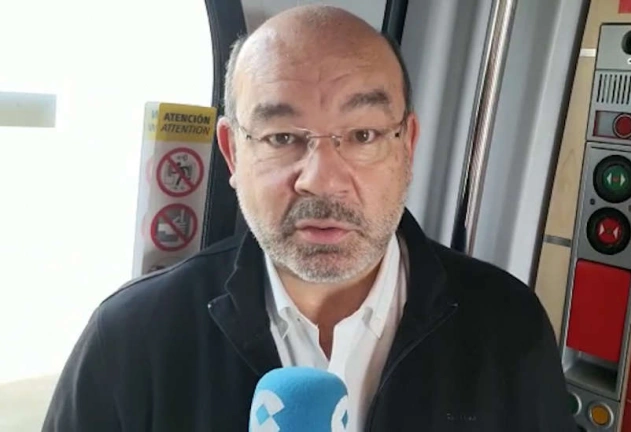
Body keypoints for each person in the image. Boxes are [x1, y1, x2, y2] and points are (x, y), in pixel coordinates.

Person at [43, 5, 576, 431]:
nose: (321, 179)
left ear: (407, 146)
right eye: (281, 137)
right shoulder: (132, 340)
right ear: (232, 153)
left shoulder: (508, 328)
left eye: (363, 135)